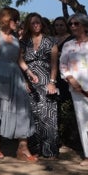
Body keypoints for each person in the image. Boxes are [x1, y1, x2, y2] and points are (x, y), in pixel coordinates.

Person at [0, 7, 37, 162]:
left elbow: (20, 60)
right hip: (0, 75)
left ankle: (22, 148)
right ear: (6, 19)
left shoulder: (15, 38)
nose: (17, 22)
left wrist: (30, 73)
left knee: (23, 108)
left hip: (16, 76)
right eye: (14, 19)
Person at [20, 13, 60, 159]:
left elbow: (55, 64)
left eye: (38, 22)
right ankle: (35, 149)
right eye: (32, 23)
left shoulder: (51, 41)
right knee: (33, 116)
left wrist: (52, 82)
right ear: (28, 25)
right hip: (29, 83)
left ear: (42, 24)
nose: (36, 25)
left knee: (48, 116)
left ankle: (50, 150)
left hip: (46, 81)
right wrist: (24, 81)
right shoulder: (23, 42)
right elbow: (20, 63)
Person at [58, 13, 88, 166]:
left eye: (76, 23)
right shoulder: (68, 45)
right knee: (83, 121)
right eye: (71, 24)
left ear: (85, 25)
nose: (73, 26)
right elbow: (63, 65)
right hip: (77, 89)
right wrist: (71, 79)